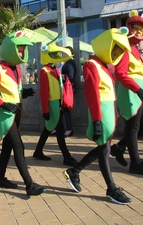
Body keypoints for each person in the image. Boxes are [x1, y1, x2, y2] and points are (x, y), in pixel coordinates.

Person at [63, 27, 132, 205]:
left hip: (108, 111)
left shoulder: (103, 66)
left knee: (104, 148)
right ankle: (111, 188)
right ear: (105, 46)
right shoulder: (92, 65)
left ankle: (75, 171)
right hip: (100, 112)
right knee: (104, 149)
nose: (117, 53)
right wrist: (96, 120)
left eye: (119, 50)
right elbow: (92, 95)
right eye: (115, 48)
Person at [0, 30, 46, 195]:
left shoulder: (17, 69)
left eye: (23, 48)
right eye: (19, 48)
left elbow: (11, 89)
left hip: (17, 112)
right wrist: (3, 105)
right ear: (10, 48)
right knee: (19, 147)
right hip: (6, 115)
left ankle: (0, 178)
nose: (22, 51)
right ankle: (29, 185)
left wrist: (23, 93)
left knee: (7, 147)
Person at [32, 39, 78, 167]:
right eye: (53, 54)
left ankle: (38, 151)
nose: (56, 57)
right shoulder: (44, 71)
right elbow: (44, 92)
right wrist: (46, 110)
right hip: (52, 105)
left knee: (48, 129)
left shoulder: (56, 70)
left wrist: (62, 104)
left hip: (58, 104)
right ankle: (66, 156)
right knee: (59, 129)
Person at [113, 10, 143, 175]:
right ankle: (135, 163)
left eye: (141, 30)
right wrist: (138, 89)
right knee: (133, 127)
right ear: (129, 28)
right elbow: (120, 73)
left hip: (138, 94)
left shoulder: (135, 50)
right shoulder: (125, 48)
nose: (139, 32)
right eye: (136, 28)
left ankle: (119, 147)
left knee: (139, 127)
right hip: (131, 93)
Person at [61, 46, 77, 137]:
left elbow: (70, 76)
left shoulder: (69, 63)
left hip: (68, 89)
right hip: (67, 88)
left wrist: (60, 76)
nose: (62, 55)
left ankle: (69, 129)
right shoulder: (68, 62)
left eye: (63, 53)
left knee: (66, 109)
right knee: (65, 109)